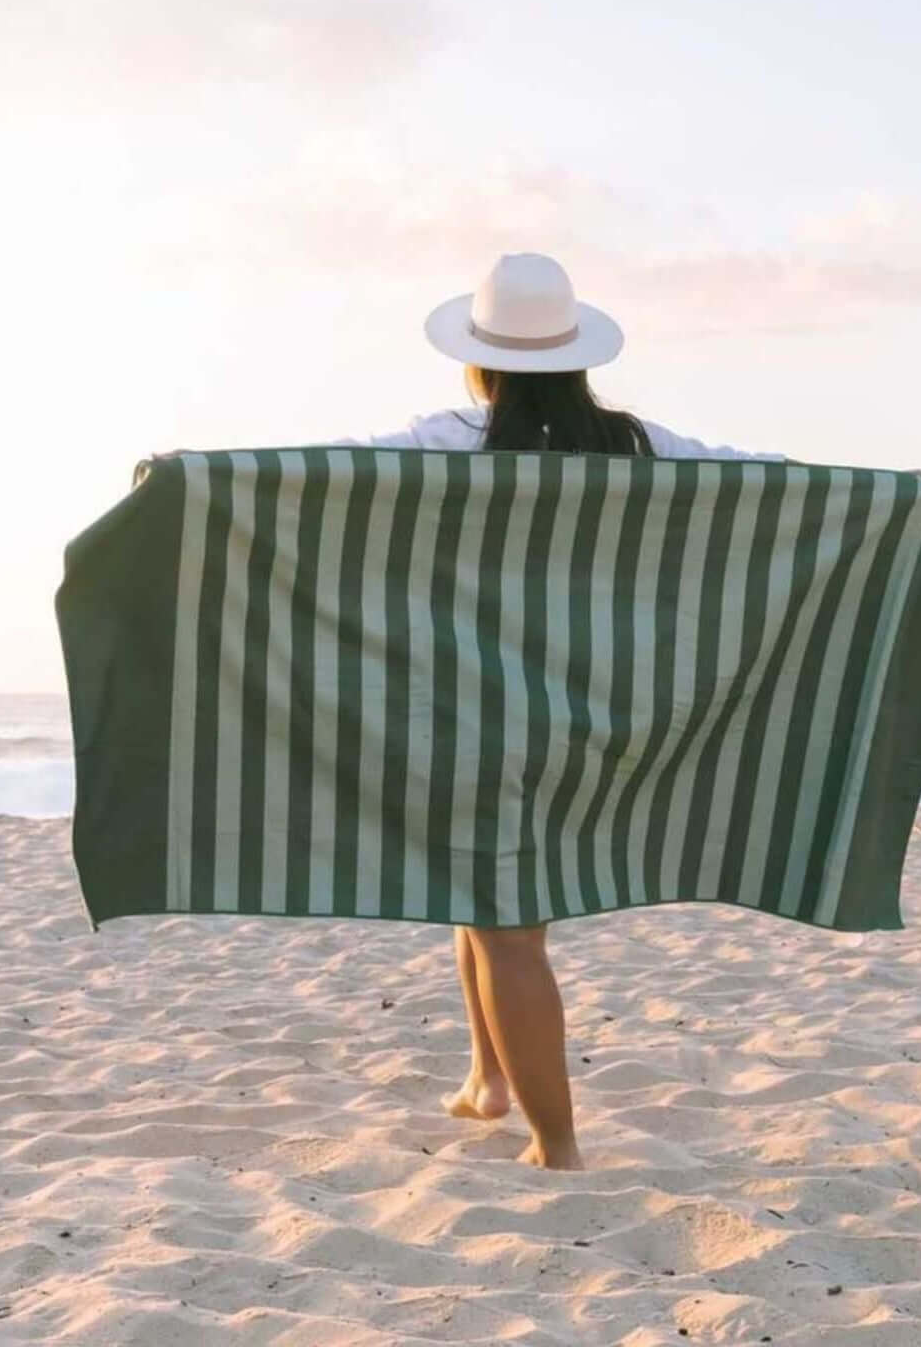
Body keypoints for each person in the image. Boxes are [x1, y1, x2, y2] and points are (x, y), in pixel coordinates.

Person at [330, 252, 800, 1172]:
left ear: (479, 361)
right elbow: (767, 477)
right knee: (479, 904)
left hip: (473, 711)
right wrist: (901, 489)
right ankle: (488, 1082)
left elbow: (319, 476)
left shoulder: (447, 438)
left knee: (507, 925)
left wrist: (191, 477)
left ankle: (559, 1146)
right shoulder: (634, 443)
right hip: (592, 710)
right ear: (580, 358)